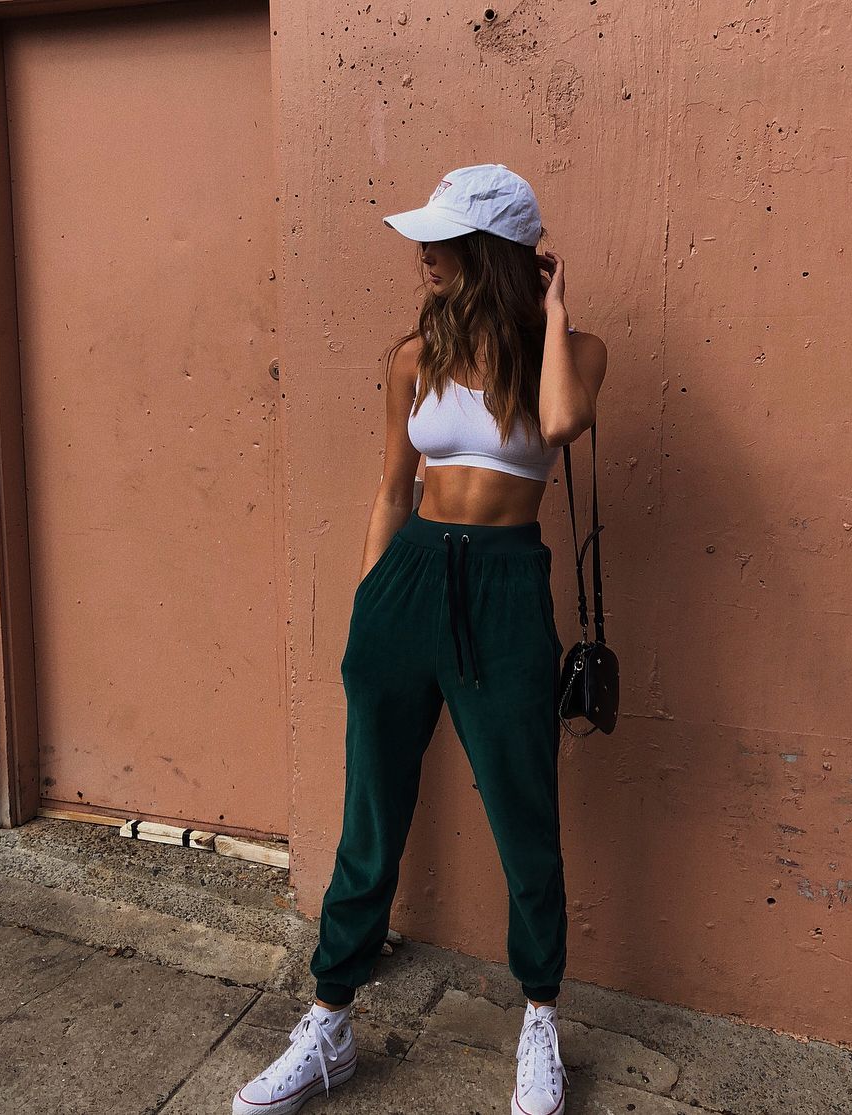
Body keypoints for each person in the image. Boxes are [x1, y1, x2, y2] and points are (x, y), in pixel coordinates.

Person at [232, 163, 608, 1115]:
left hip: (507, 590)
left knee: (524, 814)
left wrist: (552, 309)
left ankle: (539, 1016)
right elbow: (393, 488)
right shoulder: (414, 357)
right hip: (406, 585)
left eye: (442, 241)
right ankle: (330, 1019)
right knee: (371, 812)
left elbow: (562, 421)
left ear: (491, 253)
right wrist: (370, 608)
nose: (423, 255)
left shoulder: (575, 352)